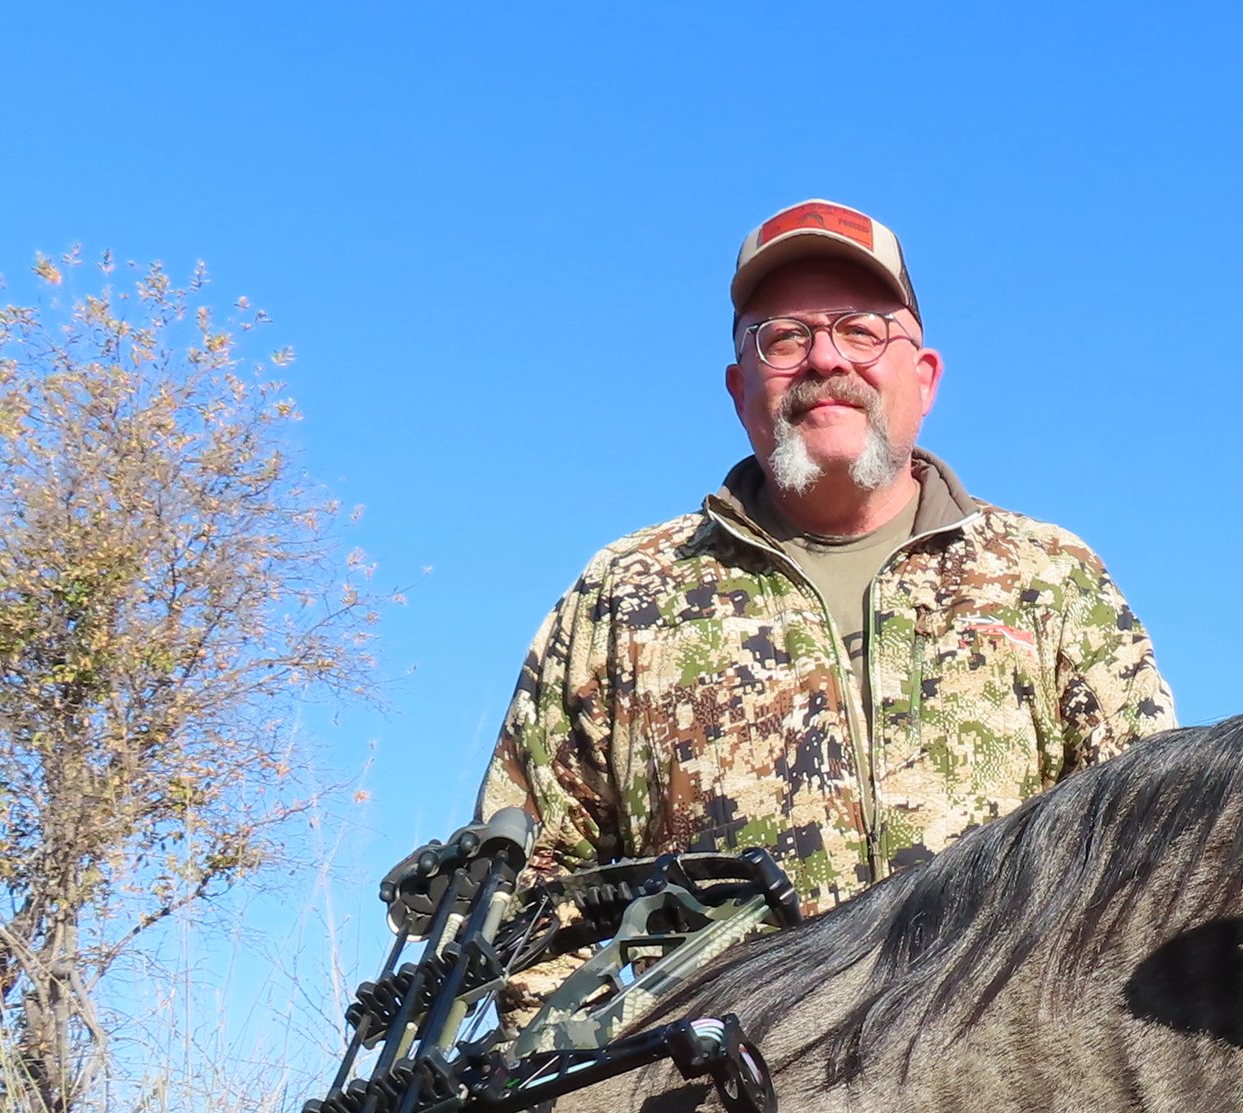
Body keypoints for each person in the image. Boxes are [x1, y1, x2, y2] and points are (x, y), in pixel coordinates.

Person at [483, 200, 1175, 911]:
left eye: (862, 331)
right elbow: (533, 889)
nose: (825, 357)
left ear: (926, 378)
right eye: (782, 339)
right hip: (730, 1024)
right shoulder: (624, 596)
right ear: (738, 390)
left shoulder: (1050, 576)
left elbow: (1150, 850)